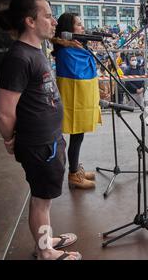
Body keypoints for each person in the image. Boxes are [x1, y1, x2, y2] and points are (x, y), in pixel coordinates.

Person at [0, 0, 81, 260]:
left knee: (44, 198)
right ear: (30, 21)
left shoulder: (34, 51)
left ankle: (46, 239)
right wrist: (10, 140)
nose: (54, 21)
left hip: (49, 141)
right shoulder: (19, 57)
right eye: (47, 15)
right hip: (39, 144)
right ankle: (45, 251)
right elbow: (5, 111)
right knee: (41, 200)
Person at [51, 12, 100, 190]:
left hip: (80, 100)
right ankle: (73, 175)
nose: (82, 27)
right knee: (76, 136)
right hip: (74, 101)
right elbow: (78, 74)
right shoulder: (66, 51)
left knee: (78, 136)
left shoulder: (75, 47)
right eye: (78, 24)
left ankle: (75, 168)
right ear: (68, 29)